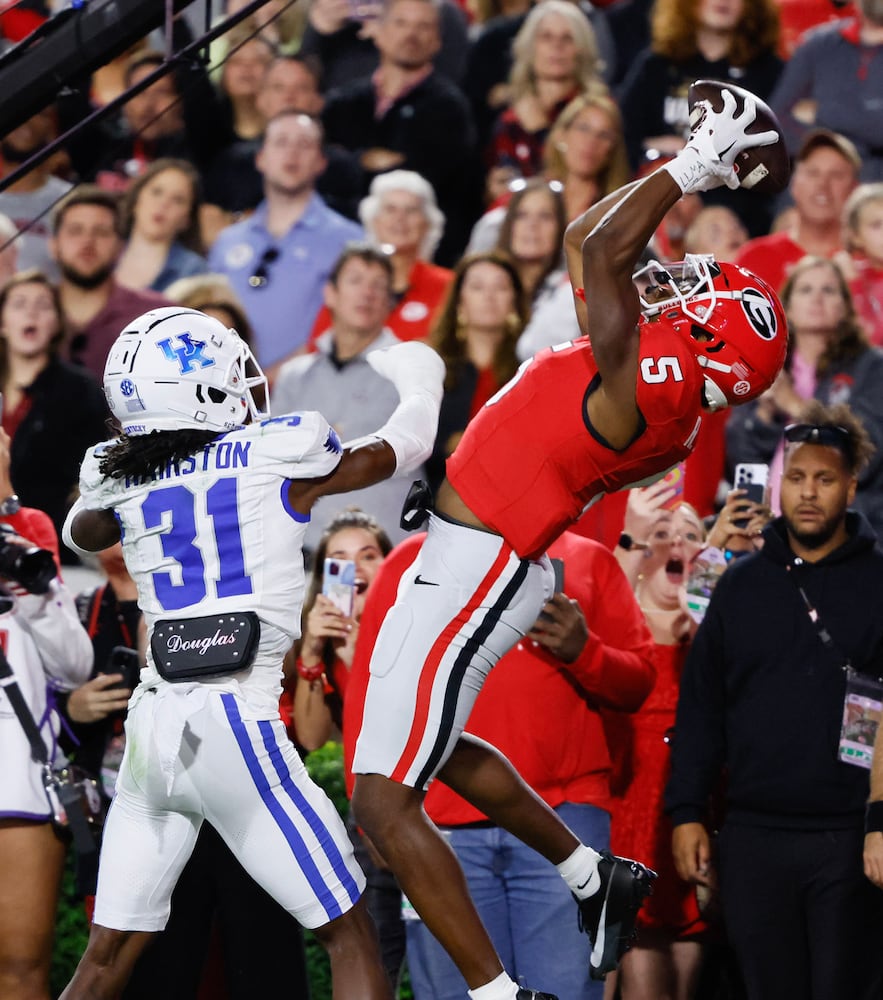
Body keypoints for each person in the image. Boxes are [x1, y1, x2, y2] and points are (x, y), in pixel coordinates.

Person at [347, 85, 789, 998]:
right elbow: (591, 235)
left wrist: (693, 163)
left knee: (381, 800)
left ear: (702, 344)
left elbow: (593, 246)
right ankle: (591, 873)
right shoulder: (661, 391)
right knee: (432, 746)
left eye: (700, 295)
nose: (684, 286)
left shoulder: (647, 385)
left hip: (478, 564)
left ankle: (494, 992)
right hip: (481, 558)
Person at [58, 304, 445, 999]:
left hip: (152, 735)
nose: (248, 382)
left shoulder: (117, 478)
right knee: (349, 930)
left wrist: (136, 462)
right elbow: (406, 445)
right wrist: (421, 379)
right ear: (199, 389)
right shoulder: (274, 454)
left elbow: (82, 531)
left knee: (105, 959)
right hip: (237, 719)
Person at [363, 528, 656, 1000]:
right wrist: (377, 815)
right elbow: (369, 688)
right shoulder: (408, 562)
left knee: (563, 991)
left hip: (564, 819)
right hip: (435, 823)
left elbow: (640, 682)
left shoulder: (588, 560)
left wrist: (585, 650)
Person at [666, 400, 883, 1000]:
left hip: (851, 837)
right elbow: (702, 706)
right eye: (796, 477)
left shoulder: (878, 581)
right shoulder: (738, 585)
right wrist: (686, 811)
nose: (808, 492)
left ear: (852, 486)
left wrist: (880, 824)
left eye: (824, 478)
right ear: (778, 482)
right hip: (753, 835)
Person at [0, 427, 94, 1000]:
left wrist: (30, 592)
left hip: (20, 772)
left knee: (21, 967)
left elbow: (75, 668)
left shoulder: (29, 530)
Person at [272, 243, 418, 551]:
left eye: (379, 285)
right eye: (355, 281)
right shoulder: (295, 375)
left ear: (390, 301)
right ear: (331, 294)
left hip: (386, 554)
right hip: (306, 553)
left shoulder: (412, 372)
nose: (367, 293)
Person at [726, 255, 883, 537]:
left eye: (829, 290)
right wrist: (766, 417)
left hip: (847, 531)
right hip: (766, 530)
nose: (817, 299)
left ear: (846, 307)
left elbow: (868, 453)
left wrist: (795, 405)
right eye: (806, 289)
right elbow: (741, 455)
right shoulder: (766, 363)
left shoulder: (872, 366)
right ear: (787, 306)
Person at [320, 0, 480, 264]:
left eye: (423, 26)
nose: (411, 34)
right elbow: (323, 171)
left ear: (438, 40)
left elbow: (435, 182)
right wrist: (362, 162)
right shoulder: (342, 103)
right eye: (401, 23)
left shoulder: (450, 109)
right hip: (339, 251)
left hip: (418, 257)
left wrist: (349, 162)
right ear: (378, 32)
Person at [207, 110, 363, 376]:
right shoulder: (227, 240)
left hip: (308, 392)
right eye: (281, 142)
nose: (292, 154)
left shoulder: (350, 241)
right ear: (261, 159)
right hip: (225, 391)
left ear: (321, 162)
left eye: (304, 144)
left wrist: (271, 379)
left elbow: (353, 326)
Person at [618, 0, 783, 237]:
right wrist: (655, 151)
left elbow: (772, 158)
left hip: (737, 219)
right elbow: (624, 137)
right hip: (662, 206)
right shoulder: (656, 66)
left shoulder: (768, 72)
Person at [0, 270, 109, 564]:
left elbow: (92, 479)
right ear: (2, 323)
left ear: (57, 323)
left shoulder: (80, 391)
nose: (31, 312)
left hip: (51, 551)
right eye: (19, 304)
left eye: (43, 305)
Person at [310, 169, 452, 344]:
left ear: (427, 224)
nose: (400, 218)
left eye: (411, 210)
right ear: (374, 220)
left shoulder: (449, 286)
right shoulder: (347, 283)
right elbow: (319, 348)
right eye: (390, 209)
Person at [425, 251, 526, 494]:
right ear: (459, 301)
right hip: (439, 503)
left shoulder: (528, 370)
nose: (489, 297)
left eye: (500, 287)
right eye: (477, 287)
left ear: (514, 300)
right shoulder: (431, 369)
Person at [484, 0, 608, 191]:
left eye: (567, 38)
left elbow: (586, 179)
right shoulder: (509, 119)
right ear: (530, 48)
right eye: (546, 37)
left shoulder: (598, 113)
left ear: (582, 49)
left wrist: (541, 133)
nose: (557, 47)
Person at [51, 186, 171, 382]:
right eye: (75, 231)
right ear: (53, 245)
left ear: (120, 247)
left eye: (101, 232)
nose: (87, 242)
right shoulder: (20, 313)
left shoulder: (158, 316)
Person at [735, 128, 861, 294]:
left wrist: (857, 287)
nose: (822, 185)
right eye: (812, 173)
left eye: (836, 175)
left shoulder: (870, 259)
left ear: (854, 189)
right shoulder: (755, 258)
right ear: (794, 184)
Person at [770, 0, 883, 181]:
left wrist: (826, 115)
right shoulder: (819, 44)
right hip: (819, 173)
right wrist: (827, 149)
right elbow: (777, 120)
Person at [0, 104, 72, 279]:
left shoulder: (69, 200)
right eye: (16, 112)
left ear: (51, 126)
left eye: (39, 114)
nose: (26, 122)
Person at [115, 159, 208, 293]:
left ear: (187, 219)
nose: (164, 204)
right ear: (136, 199)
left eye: (178, 200)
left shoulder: (195, 271)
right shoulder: (104, 253)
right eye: (156, 192)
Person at [836, 182, 883, 345]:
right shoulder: (848, 271)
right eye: (876, 225)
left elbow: (872, 338)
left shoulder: (851, 277)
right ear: (855, 235)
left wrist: (853, 284)